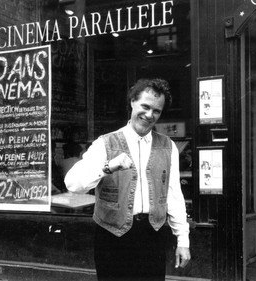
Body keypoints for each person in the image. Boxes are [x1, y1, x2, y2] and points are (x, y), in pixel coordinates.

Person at [65, 78, 191, 281]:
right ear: (132, 101)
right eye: (145, 106)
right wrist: (107, 167)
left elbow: (173, 195)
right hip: (112, 237)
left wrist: (183, 240)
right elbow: (73, 183)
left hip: (153, 235)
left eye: (156, 111)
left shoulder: (168, 147)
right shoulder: (105, 143)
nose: (149, 115)